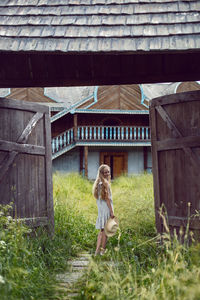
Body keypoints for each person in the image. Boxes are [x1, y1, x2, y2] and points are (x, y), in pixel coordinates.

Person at [92, 164, 114, 256]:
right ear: (101, 173)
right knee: (105, 231)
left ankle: (97, 251)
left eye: (108, 171)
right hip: (106, 209)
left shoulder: (97, 184)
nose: (107, 173)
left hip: (101, 210)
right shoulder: (105, 184)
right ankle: (102, 251)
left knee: (101, 231)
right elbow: (108, 199)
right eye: (105, 172)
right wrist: (112, 211)